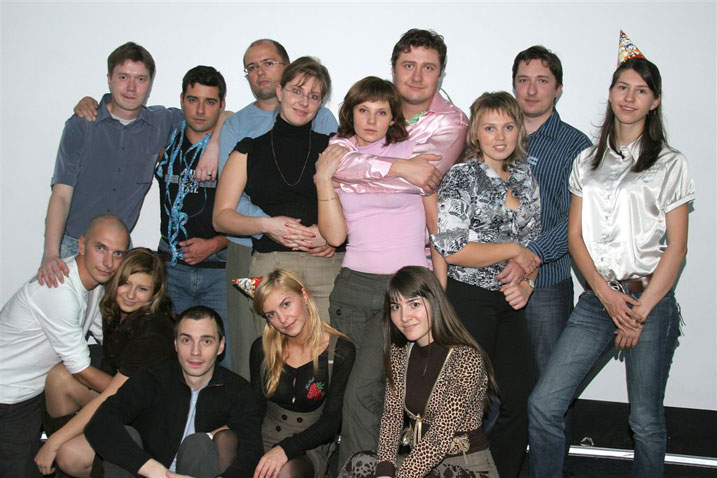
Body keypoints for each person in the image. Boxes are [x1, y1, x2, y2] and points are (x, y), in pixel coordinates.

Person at [528, 44, 694, 478]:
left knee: (645, 421)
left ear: (654, 101)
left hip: (649, 303)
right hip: (598, 301)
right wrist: (605, 295)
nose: (629, 97)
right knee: (544, 403)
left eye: (641, 90)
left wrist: (637, 313)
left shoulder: (670, 163)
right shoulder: (587, 160)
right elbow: (574, 236)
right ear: (610, 92)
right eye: (622, 87)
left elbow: (676, 249)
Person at [320, 29, 469, 466]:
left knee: (368, 391)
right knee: (357, 393)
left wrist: (385, 169)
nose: (417, 76)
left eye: (428, 67)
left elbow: (426, 183)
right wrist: (399, 169)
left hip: (403, 286)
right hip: (353, 285)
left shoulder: (423, 138)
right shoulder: (341, 146)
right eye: (408, 65)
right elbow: (338, 170)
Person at [37, 42, 217, 288]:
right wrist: (51, 254)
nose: (131, 87)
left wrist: (214, 146)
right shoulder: (82, 124)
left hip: (119, 255)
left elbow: (223, 117)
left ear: (150, 84)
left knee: (114, 314)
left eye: (140, 79)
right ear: (109, 79)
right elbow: (61, 195)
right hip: (73, 247)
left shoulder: (161, 121)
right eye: (123, 77)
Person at [431, 91, 541, 478]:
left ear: (519, 131)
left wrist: (527, 284)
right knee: (464, 403)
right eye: (490, 128)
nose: (500, 136)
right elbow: (452, 249)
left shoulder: (525, 177)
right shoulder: (462, 176)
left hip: (510, 301)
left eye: (508, 127)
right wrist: (511, 249)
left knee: (520, 397)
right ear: (476, 132)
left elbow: (533, 247)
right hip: (468, 299)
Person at [218, 39, 338, 379]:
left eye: (313, 96)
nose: (304, 101)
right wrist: (267, 225)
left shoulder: (335, 148)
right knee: (273, 366)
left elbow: (357, 209)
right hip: (270, 267)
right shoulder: (248, 149)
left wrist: (332, 238)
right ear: (281, 91)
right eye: (297, 91)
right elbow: (222, 216)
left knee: (328, 366)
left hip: (325, 266)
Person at [0, 215, 129, 478]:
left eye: (117, 253)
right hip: (8, 396)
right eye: (100, 248)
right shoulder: (60, 290)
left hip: (31, 391)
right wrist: (135, 393)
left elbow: (108, 338)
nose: (108, 262)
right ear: (81, 245)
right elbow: (81, 370)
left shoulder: (94, 284)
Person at [339, 266, 498, 478]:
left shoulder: (466, 359)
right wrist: (384, 472)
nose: (404, 316)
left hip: (467, 466)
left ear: (435, 302)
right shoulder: (399, 353)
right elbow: (392, 418)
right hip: (418, 464)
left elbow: (439, 436)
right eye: (396, 306)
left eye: (414, 304)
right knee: (360, 464)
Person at [34, 248, 176, 477]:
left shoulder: (153, 331)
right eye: (126, 283)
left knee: (69, 455)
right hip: (128, 398)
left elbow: (111, 396)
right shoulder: (117, 312)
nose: (130, 295)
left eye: (142, 289)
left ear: (155, 294)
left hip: (150, 421)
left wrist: (53, 443)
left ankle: (72, 452)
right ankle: (63, 448)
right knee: (60, 377)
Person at [85, 305, 263, 478]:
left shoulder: (237, 390)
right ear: (175, 344)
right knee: (125, 434)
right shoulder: (152, 378)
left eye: (206, 341)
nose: (195, 352)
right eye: (186, 340)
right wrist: (152, 469)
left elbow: (251, 452)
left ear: (221, 346)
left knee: (198, 444)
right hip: (147, 473)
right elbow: (99, 422)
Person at [156, 65, 232, 366]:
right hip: (171, 268)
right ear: (181, 100)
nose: (200, 110)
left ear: (221, 105)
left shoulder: (233, 147)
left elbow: (249, 214)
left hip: (219, 270)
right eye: (192, 100)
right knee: (171, 358)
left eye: (210, 102)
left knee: (224, 357)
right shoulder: (164, 139)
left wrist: (214, 244)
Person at [249, 269, 355, 478]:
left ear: (304, 295)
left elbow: (331, 421)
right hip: (263, 437)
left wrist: (285, 450)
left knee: (285, 472)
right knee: (221, 444)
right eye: (271, 314)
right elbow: (255, 410)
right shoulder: (262, 349)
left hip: (309, 446)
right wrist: (249, 452)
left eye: (286, 304)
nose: (282, 319)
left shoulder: (340, 351)